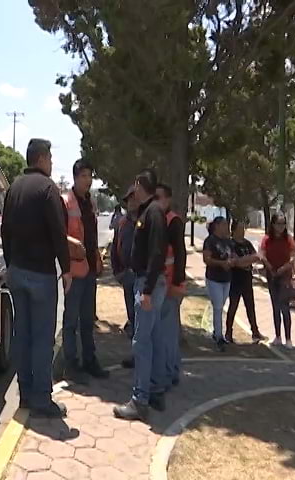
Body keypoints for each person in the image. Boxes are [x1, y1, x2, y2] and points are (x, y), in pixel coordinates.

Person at [1, 138, 72, 418]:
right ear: (41, 158)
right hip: (41, 275)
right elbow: (58, 232)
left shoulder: (14, 188)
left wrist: (11, 264)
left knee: (23, 335)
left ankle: (26, 393)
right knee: (43, 338)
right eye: (50, 158)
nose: (52, 162)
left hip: (17, 271)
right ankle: (42, 398)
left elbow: (4, 230)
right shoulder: (47, 188)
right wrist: (66, 269)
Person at [114, 168, 168, 421]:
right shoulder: (149, 211)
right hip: (148, 282)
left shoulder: (153, 212)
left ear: (140, 184)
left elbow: (157, 253)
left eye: (135, 185)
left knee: (142, 343)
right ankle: (155, 391)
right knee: (153, 339)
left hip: (148, 283)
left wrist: (145, 290)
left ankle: (140, 400)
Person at [61, 160, 109, 384]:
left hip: (89, 269)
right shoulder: (66, 202)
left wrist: (98, 259)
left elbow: (92, 235)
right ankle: (71, 366)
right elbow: (59, 235)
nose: (87, 180)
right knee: (70, 322)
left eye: (90, 176)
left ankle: (90, 361)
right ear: (75, 177)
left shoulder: (90, 202)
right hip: (74, 270)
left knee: (88, 320)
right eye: (83, 176)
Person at [154, 183, 186, 388]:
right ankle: (171, 371)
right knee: (168, 331)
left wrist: (176, 283)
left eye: (159, 197)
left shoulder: (172, 222)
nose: (155, 201)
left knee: (167, 333)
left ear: (168, 199)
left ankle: (168, 373)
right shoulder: (160, 219)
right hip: (164, 283)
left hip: (170, 283)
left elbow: (180, 254)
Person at [226, 219, 267, 343]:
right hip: (235, 279)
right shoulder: (230, 244)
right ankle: (228, 332)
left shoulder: (247, 243)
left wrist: (245, 260)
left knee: (250, 306)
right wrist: (247, 260)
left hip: (247, 278)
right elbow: (236, 262)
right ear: (234, 230)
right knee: (233, 306)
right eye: (239, 229)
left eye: (243, 229)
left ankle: (255, 332)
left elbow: (257, 257)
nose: (242, 231)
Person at [111, 185, 138, 369]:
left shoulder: (148, 220)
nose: (131, 203)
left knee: (144, 321)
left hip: (144, 277)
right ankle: (136, 355)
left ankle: (144, 357)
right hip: (128, 276)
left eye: (134, 199)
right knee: (133, 317)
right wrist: (118, 272)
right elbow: (115, 249)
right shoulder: (122, 223)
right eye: (129, 200)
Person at [260, 213, 295, 348]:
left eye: (283, 224)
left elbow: (293, 257)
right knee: (275, 306)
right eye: (278, 224)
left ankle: (288, 338)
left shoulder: (288, 239)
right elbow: (262, 254)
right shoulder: (267, 239)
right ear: (273, 224)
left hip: (284, 276)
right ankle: (278, 336)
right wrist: (269, 267)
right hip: (272, 275)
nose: (281, 227)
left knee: (284, 307)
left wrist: (284, 268)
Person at [203, 216, 233, 352]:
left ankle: (217, 331)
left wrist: (232, 262)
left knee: (221, 306)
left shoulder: (228, 241)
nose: (227, 227)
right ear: (217, 226)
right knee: (218, 306)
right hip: (214, 278)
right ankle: (219, 336)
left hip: (226, 279)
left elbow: (232, 256)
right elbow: (207, 259)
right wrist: (222, 264)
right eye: (225, 224)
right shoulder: (210, 241)